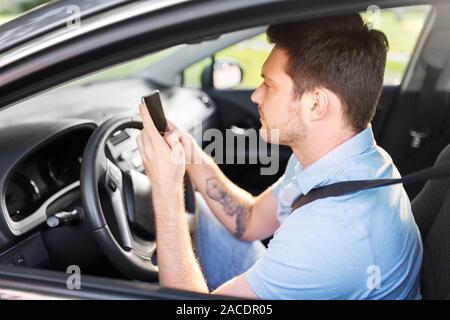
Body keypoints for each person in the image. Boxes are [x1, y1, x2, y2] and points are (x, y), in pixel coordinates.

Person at [136, 14, 423, 299]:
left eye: (269, 85)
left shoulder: (330, 232)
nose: (256, 96)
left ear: (315, 104)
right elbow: (248, 221)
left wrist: (166, 190)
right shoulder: (348, 160)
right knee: (200, 209)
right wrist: (190, 155)